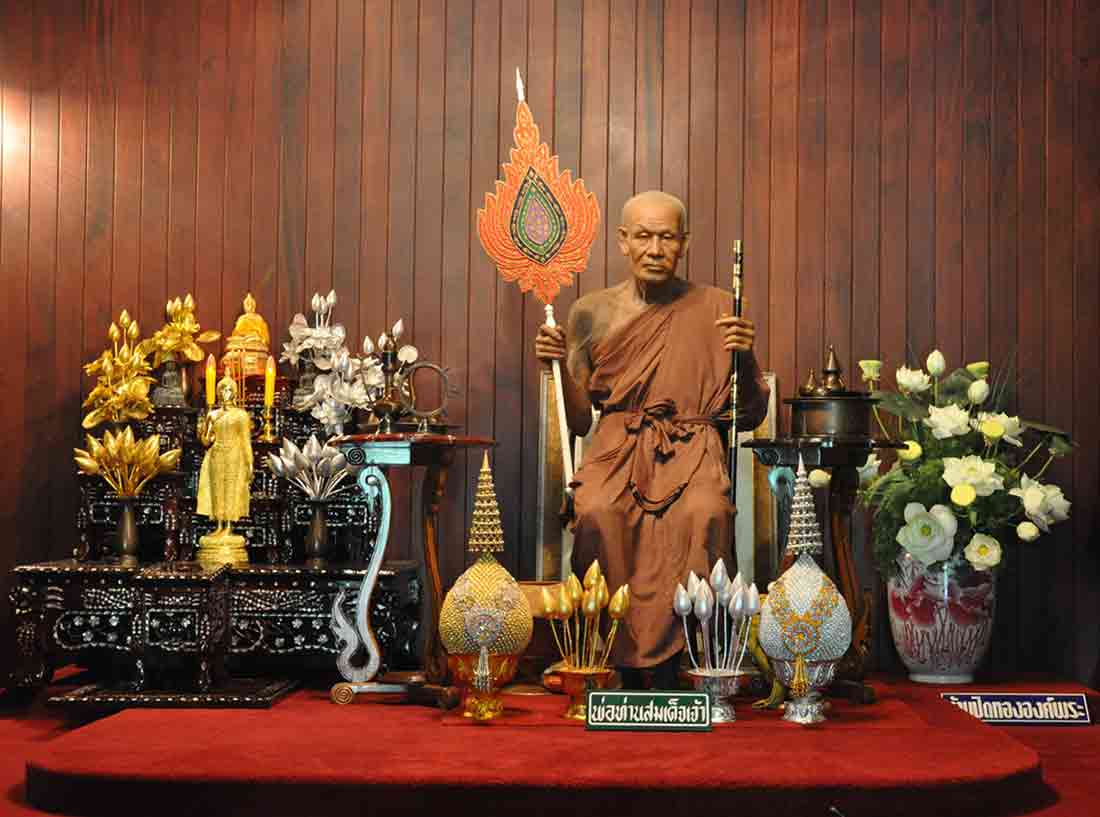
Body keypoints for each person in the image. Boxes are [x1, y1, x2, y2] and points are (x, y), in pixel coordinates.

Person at [534, 190, 769, 689]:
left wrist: (744, 355)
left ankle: (689, 661)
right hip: (616, 449)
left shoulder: (720, 307)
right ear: (623, 241)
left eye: (667, 237)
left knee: (704, 512)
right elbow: (579, 422)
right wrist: (554, 366)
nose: (655, 249)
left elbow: (749, 414)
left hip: (694, 446)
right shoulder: (590, 313)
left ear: (684, 242)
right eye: (643, 236)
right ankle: (606, 659)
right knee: (597, 511)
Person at [196, 375, 254, 566]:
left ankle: (229, 525)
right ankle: (219, 524)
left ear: (234, 393)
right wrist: (203, 429)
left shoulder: (240, 415)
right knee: (217, 491)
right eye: (222, 389)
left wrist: (250, 463)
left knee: (230, 490)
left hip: (234, 454)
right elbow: (206, 441)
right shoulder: (213, 414)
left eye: (229, 389)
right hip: (216, 454)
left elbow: (245, 441)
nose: (225, 393)